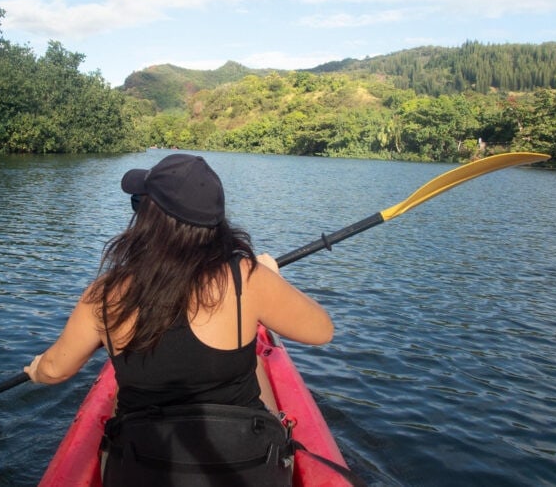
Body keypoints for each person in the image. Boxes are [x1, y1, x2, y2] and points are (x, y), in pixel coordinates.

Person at [25, 153, 333, 485]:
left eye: (137, 203)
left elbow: (55, 370)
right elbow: (322, 331)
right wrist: (270, 278)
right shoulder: (246, 277)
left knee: (120, 408)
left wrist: (37, 369)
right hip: (244, 464)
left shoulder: (106, 294)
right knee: (253, 360)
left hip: (144, 467)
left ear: (148, 220)